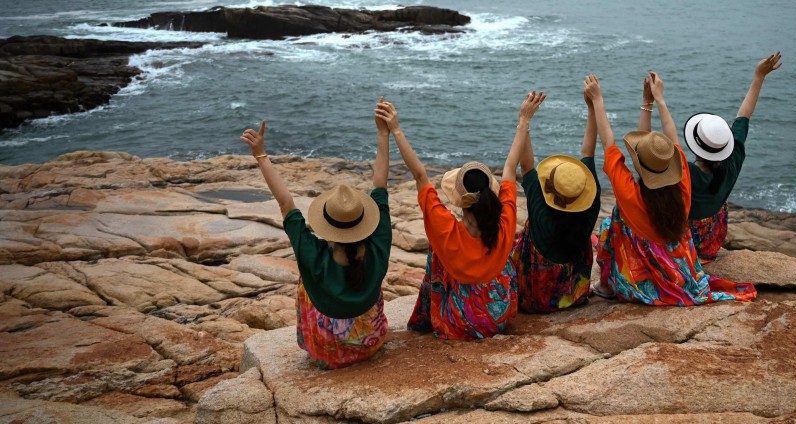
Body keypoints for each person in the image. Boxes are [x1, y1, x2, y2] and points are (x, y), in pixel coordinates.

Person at [239, 99, 392, 368]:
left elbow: (286, 204)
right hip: (370, 341)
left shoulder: (313, 252)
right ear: (363, 221)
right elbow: (380, 184)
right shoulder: (379, 242)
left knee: (305, 278)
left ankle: (326, 338)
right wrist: (383, 132)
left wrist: (261, 155)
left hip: (326, 350)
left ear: (326, 224)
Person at [378, 93, 540, 340]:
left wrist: (395, 129)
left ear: (461, 204)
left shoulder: (447, 229)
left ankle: (422, 319)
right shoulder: (504, 221)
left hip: (461, 321)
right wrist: (524, 120)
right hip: (499, 314)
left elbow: (420, 176)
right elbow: (510, 168)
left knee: (437, 250)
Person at [585, 72, 756, 306]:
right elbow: (672, 138)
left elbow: (608, 143)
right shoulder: (683, 184)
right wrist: (657, 100)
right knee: (621, 216)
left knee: (612, 221)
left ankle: (605, 285)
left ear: (638, 165)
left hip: (638, 283)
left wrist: (597, 101)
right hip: (677, 271)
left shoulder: (630, 196)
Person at [684, 51, 782, 261]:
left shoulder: (688, 173)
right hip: (711, 244)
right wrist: (759, 77)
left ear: (695, 145)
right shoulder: (733, 159)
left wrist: (655, 101)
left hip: (686, 246)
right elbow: (744, 116)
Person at [510, 89, 601, 313]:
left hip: (534, 299)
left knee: (526, 230)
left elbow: (526, 166)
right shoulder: (592, 203)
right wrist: (592, 108)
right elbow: (588, 151)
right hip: (573, 294)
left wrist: (524, 121)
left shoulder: (541, 211)